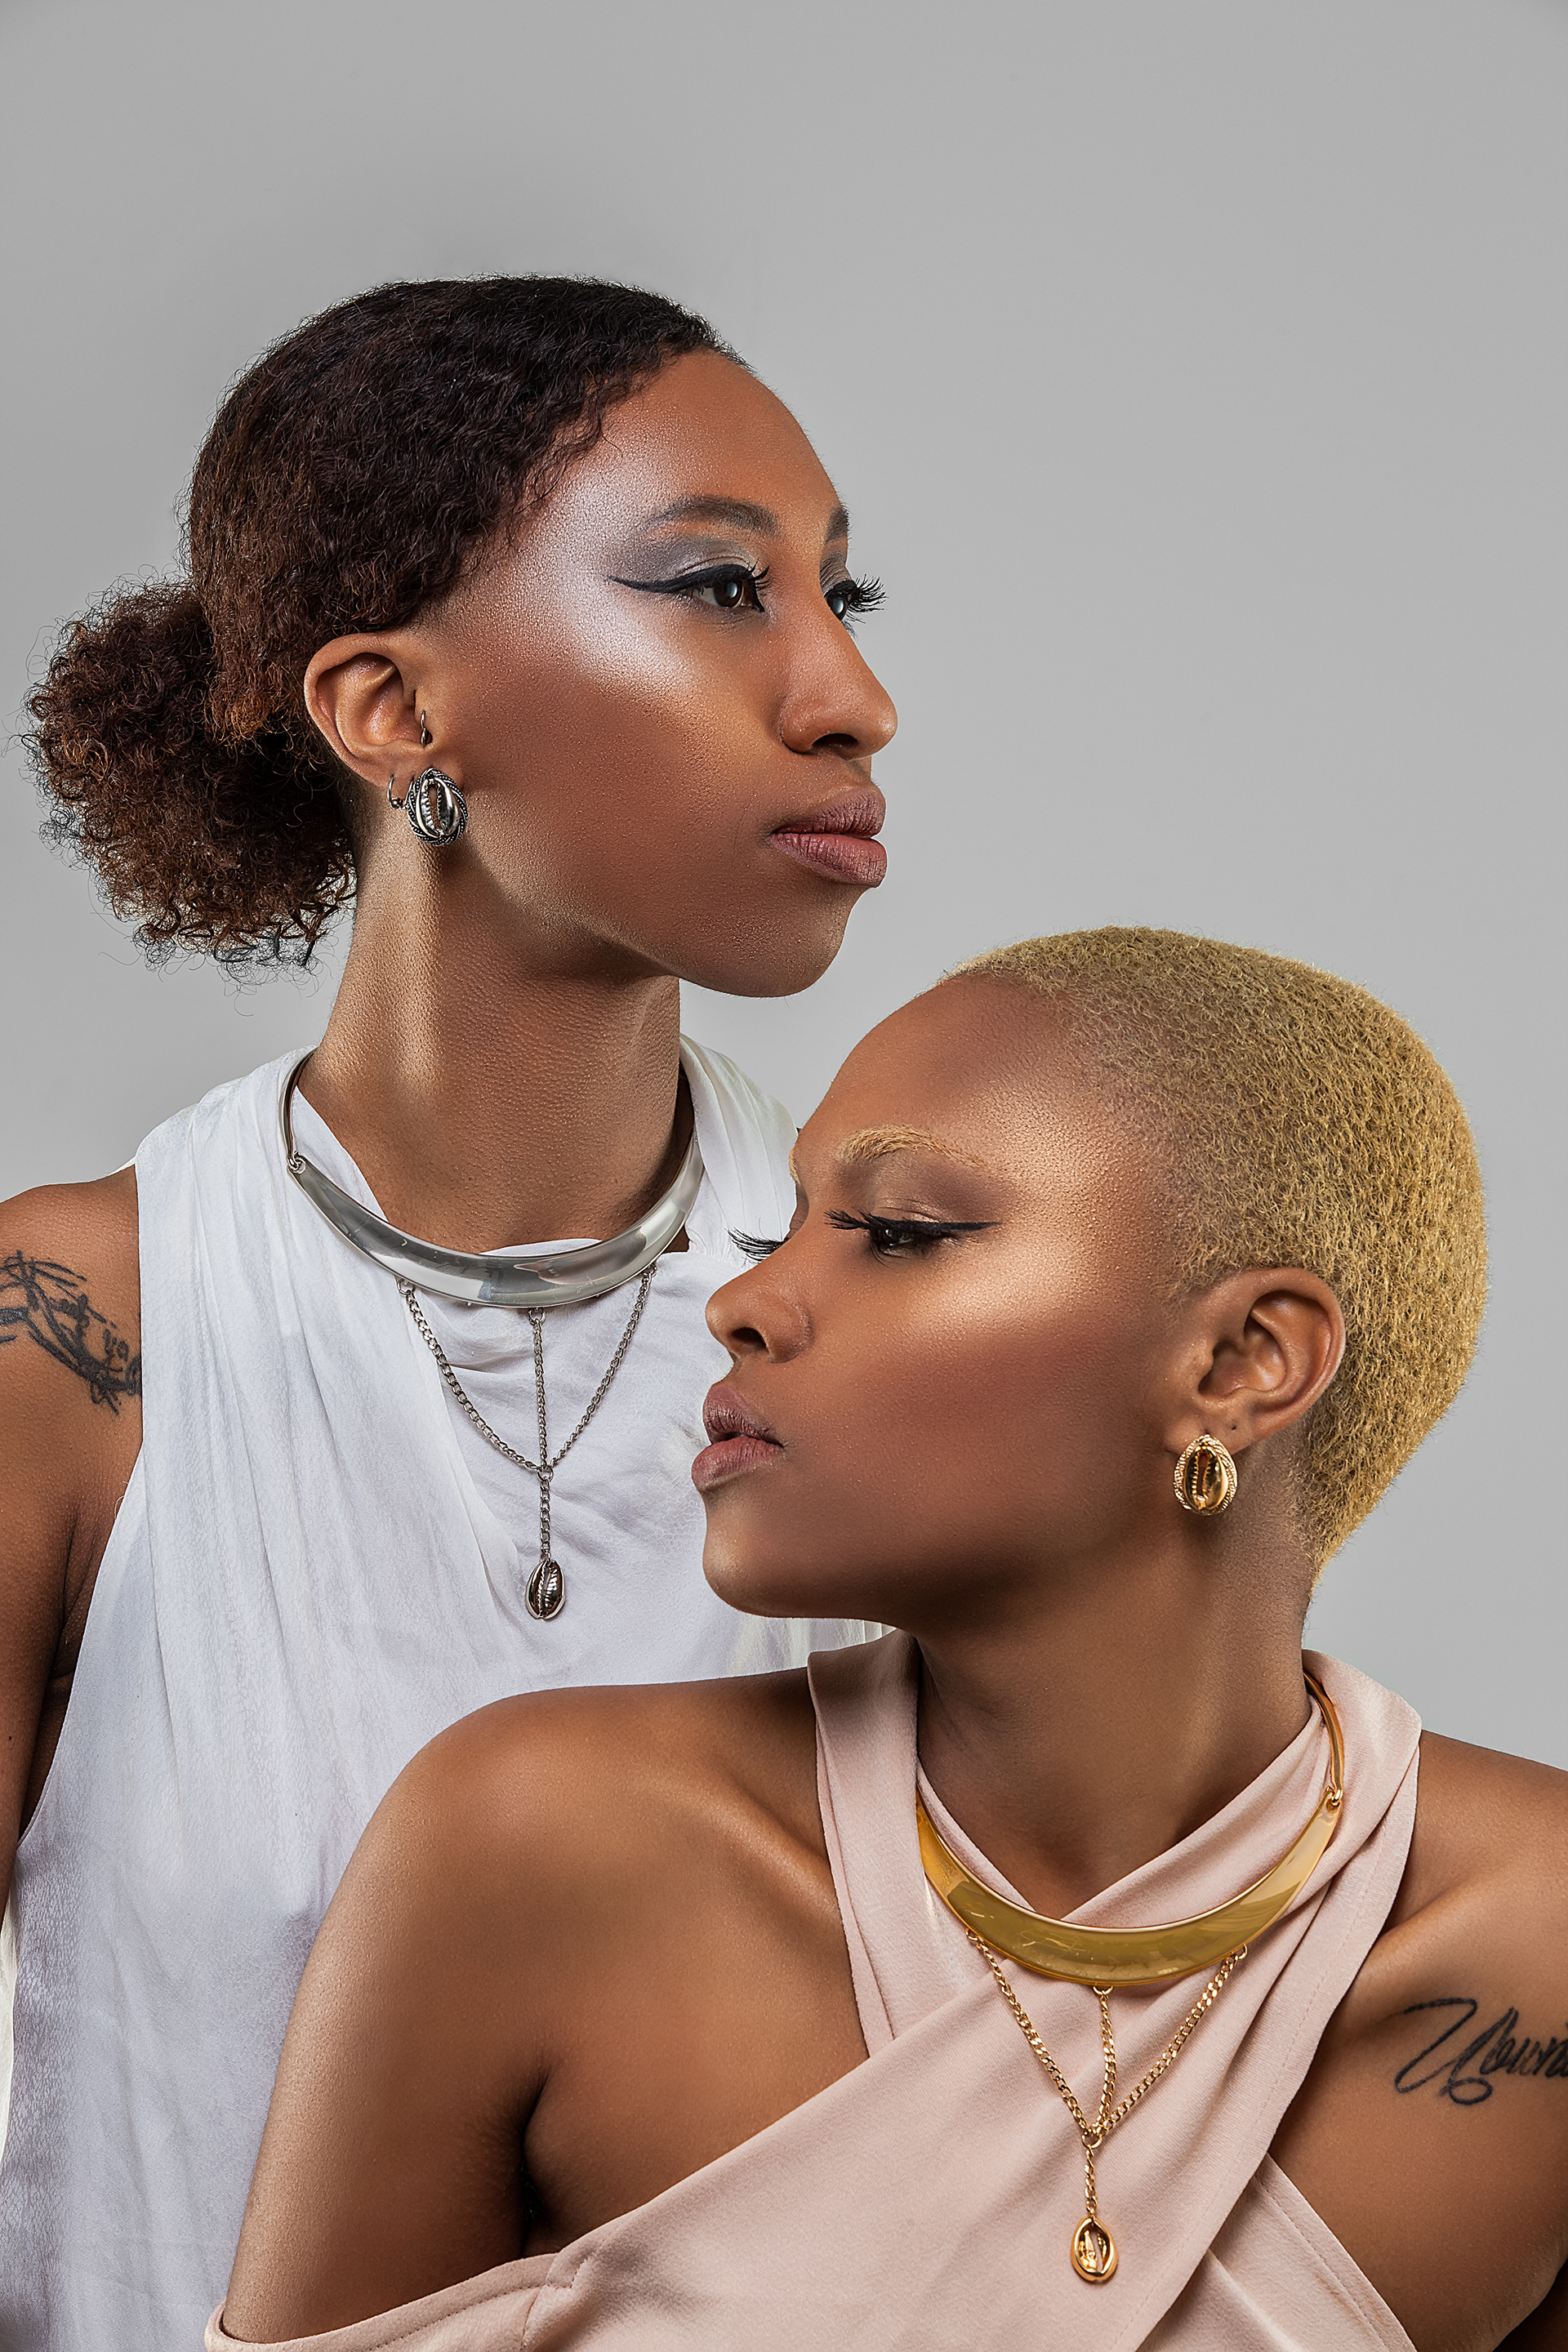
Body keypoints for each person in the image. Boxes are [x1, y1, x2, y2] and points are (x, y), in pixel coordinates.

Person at [215, 929, 1568, 2350]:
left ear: (1242, 1364)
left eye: (900, 1232)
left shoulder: (1534, 1947)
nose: (739, 1303)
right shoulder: (531, 1848)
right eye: (779, 1231)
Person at [0, 275, 898, 2348]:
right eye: (721, 589)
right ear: (394, 715)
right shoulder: (78, 1344)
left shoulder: (917, 1319)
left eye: (844, 593)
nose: (853, 694)